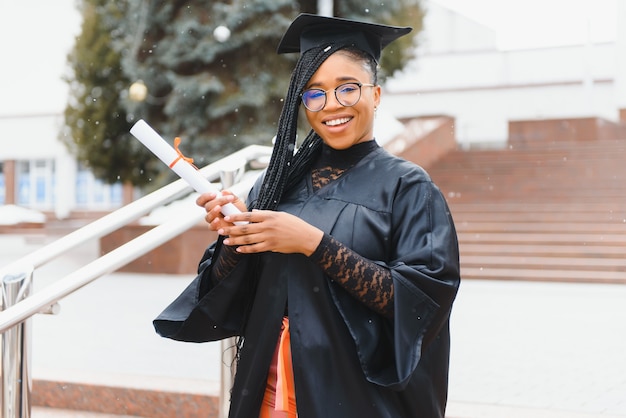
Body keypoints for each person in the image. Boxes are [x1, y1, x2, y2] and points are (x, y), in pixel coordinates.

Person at [153, 13, 460, 418]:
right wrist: (235, 239)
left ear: (376, 95)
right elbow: (235, 295)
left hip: (354, 399)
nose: (331, 105)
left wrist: (312, 243)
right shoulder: (276, 184)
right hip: (267, 396)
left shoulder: (407, 187)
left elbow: (421, 303)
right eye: (314, 93)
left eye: (347, 89)